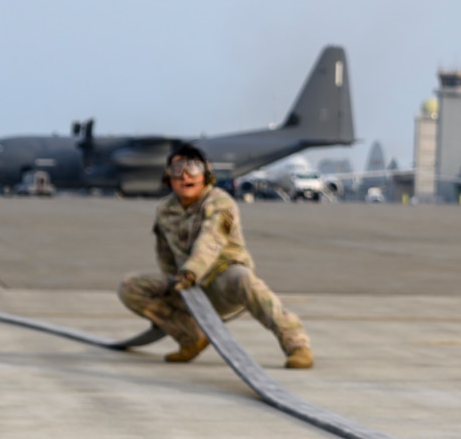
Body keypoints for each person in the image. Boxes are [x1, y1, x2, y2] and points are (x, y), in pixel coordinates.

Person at [118, 143, 314, 369]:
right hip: (189, 287)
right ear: (168, 177)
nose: (185, 176)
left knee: (243, 278)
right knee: (131, 287)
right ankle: (191, 337)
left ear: (206, 175)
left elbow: (211, 241)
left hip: (223, 282)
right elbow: (165, 254)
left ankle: (297, 345)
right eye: (177, 170)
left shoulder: (221, 203)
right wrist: (173, 282)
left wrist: (191, 272)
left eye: (193, 169)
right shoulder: (165, 209)